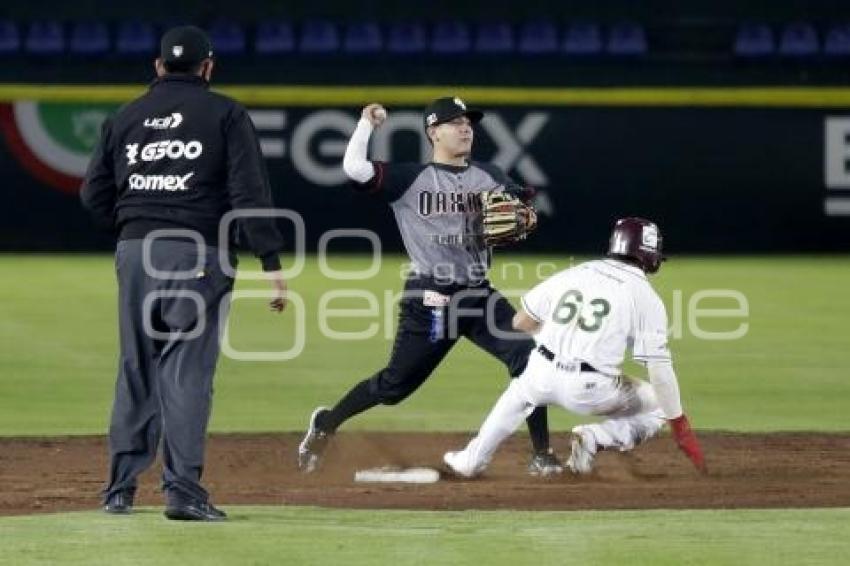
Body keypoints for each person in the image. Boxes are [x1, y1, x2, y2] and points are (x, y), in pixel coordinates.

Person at [81, 25, 286, 521]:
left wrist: (136, 222)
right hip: (196, 252)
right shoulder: (225, 113)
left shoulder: (126, 115)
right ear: (208, 67)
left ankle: (119, 490)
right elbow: (248, 193)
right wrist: (271, 264)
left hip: (134, 253)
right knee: (187, 372)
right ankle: (182, 491)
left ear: (157, 67)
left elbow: (93, 193)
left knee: (137, 366)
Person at [298, 97, 561, 476]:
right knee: (394, 386)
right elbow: (354, 169)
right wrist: (366, 124)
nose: (466, 127)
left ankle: (542, 454)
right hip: (431, 297)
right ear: (433, 132)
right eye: (455, 122)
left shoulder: (488, 174)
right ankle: (327, 422)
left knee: (529, 359)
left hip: (478, 295)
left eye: (468, 122)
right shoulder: (410, 178)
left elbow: (521, 203)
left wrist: (524, 211)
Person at [442, 217, 707, 477]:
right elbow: (659, 371)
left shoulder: (576, 272)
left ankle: (470, 460)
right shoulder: (646, 297)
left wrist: (557, 339)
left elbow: (520, 322)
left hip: (541, 372)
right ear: (649, 254)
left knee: (519, 394)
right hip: (591, 388)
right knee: (661, 404)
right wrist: (680, 425)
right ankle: (595, 437)